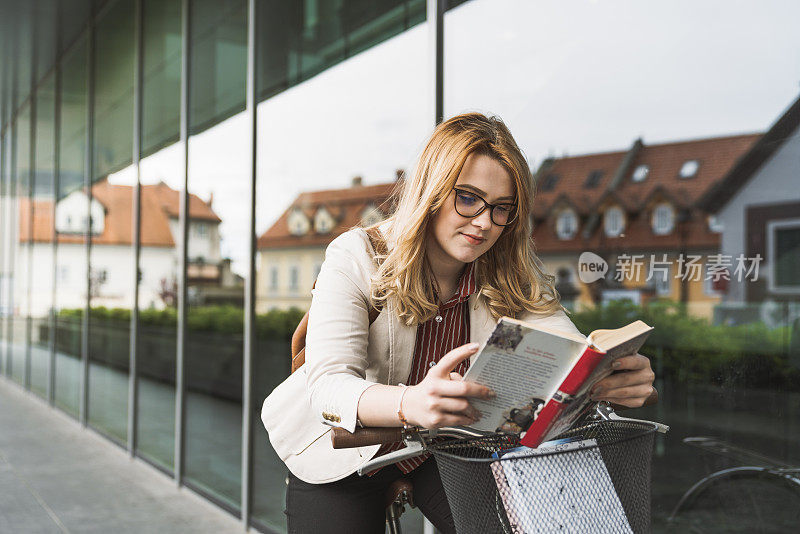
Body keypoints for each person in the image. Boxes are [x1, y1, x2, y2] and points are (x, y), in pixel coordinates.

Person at [261, 113, 656, 533]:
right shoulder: (356, 255)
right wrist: (411, 403)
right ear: (432, 190)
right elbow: (327, 388)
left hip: (442, 448)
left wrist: (604, 376)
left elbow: (566, 347)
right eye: (468, 198)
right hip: (341, 451)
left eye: (502, 208)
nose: (485, 222)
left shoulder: (512, 272)